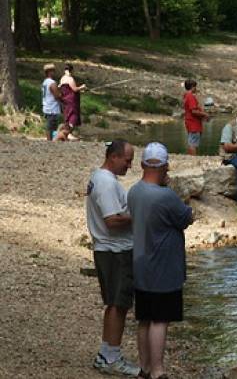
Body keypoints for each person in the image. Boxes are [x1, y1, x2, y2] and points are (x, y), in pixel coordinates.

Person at [128, 142, 193, 379]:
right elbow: (186, 218)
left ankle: (144, 368)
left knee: (144, 319)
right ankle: (158, 371)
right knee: (160, 320)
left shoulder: (134, 191)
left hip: (141, 264)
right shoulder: (166, 196)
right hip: (164, 269)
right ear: (165, 166)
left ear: (143, 164)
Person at [86, 139, 141, 376]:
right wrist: (138, 215)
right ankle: (111, 357)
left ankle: (106, 353)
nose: (129, 166)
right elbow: (112, 221)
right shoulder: (107, 184)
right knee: (119, 305)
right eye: (127, 160)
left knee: (114, 304)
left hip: (108, 250)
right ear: (114, 157)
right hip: (115, 251)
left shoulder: (99, 178)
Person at [182, 79, 209, 156]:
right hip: (193, 123)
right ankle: (193, 158)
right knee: (193, 143)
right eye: (195, 87)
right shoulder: (190, 96)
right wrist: (204, 114)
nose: (196, 89)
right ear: (192, 87)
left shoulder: (186, 96)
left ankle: (191, 157)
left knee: (192, 141)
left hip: (190, 122)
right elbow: (193, 111)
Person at [59, 63, 86, 132]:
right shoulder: (70, 79)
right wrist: (82, 87)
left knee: (67, 115)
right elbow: (74, 89)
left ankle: (66, 132)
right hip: (72, 101)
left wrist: (80, 90)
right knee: (73, 116)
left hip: (65, 100)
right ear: (71, 70)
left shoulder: (62, 78)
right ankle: (68, 133)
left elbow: (67, 89)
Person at [41, 63, 62, 141]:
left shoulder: (45, 82)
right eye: (53, 71)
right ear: (49, 72)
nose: (54, 72)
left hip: (46, 106)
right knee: (51, 127)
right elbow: (57, 96)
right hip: (52, 108)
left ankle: (50, 140)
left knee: (49, 126)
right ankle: (50, 141)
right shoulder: (52, 83)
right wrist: (61, 94)